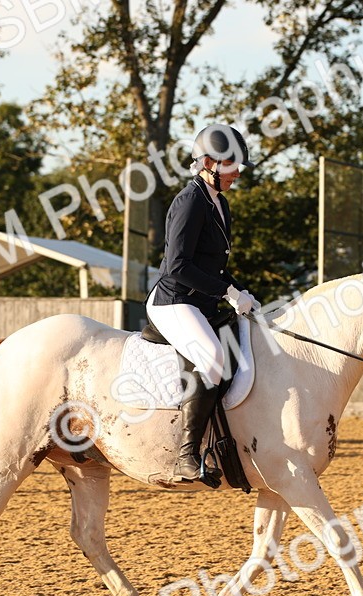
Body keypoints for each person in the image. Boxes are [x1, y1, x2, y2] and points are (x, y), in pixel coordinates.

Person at [146, 124, 260, 482]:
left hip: (202, 301)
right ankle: (186, 455)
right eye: (232, 165)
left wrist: (242, 291)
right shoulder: (190, 200)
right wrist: (227, 293)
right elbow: (178, 266)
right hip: (175, 300)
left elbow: (216, 266)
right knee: (212, 358)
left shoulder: (220, 203)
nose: (238, 173)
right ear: (208, 162)